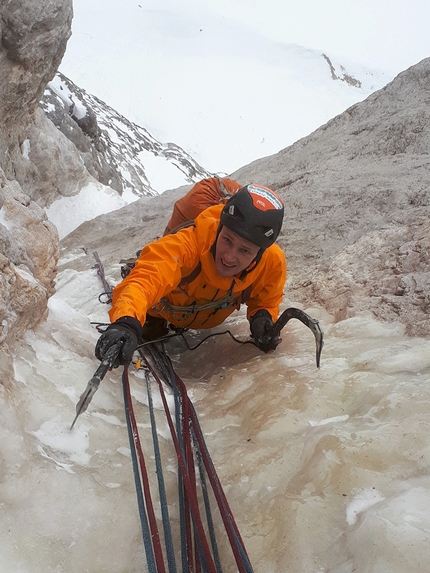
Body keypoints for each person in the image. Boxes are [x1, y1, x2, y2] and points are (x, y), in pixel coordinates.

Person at [95, 184, 287, 367]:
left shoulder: (271, 263)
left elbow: (266, 301)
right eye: (227, 240)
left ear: (260, 253)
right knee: (148, 333)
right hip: (159, 311)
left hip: (199, 314)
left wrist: (262, 318)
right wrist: (127, 321)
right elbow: (145, 279)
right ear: (219, 228)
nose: (229, 256)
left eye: (244, 251)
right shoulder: (188, 244)